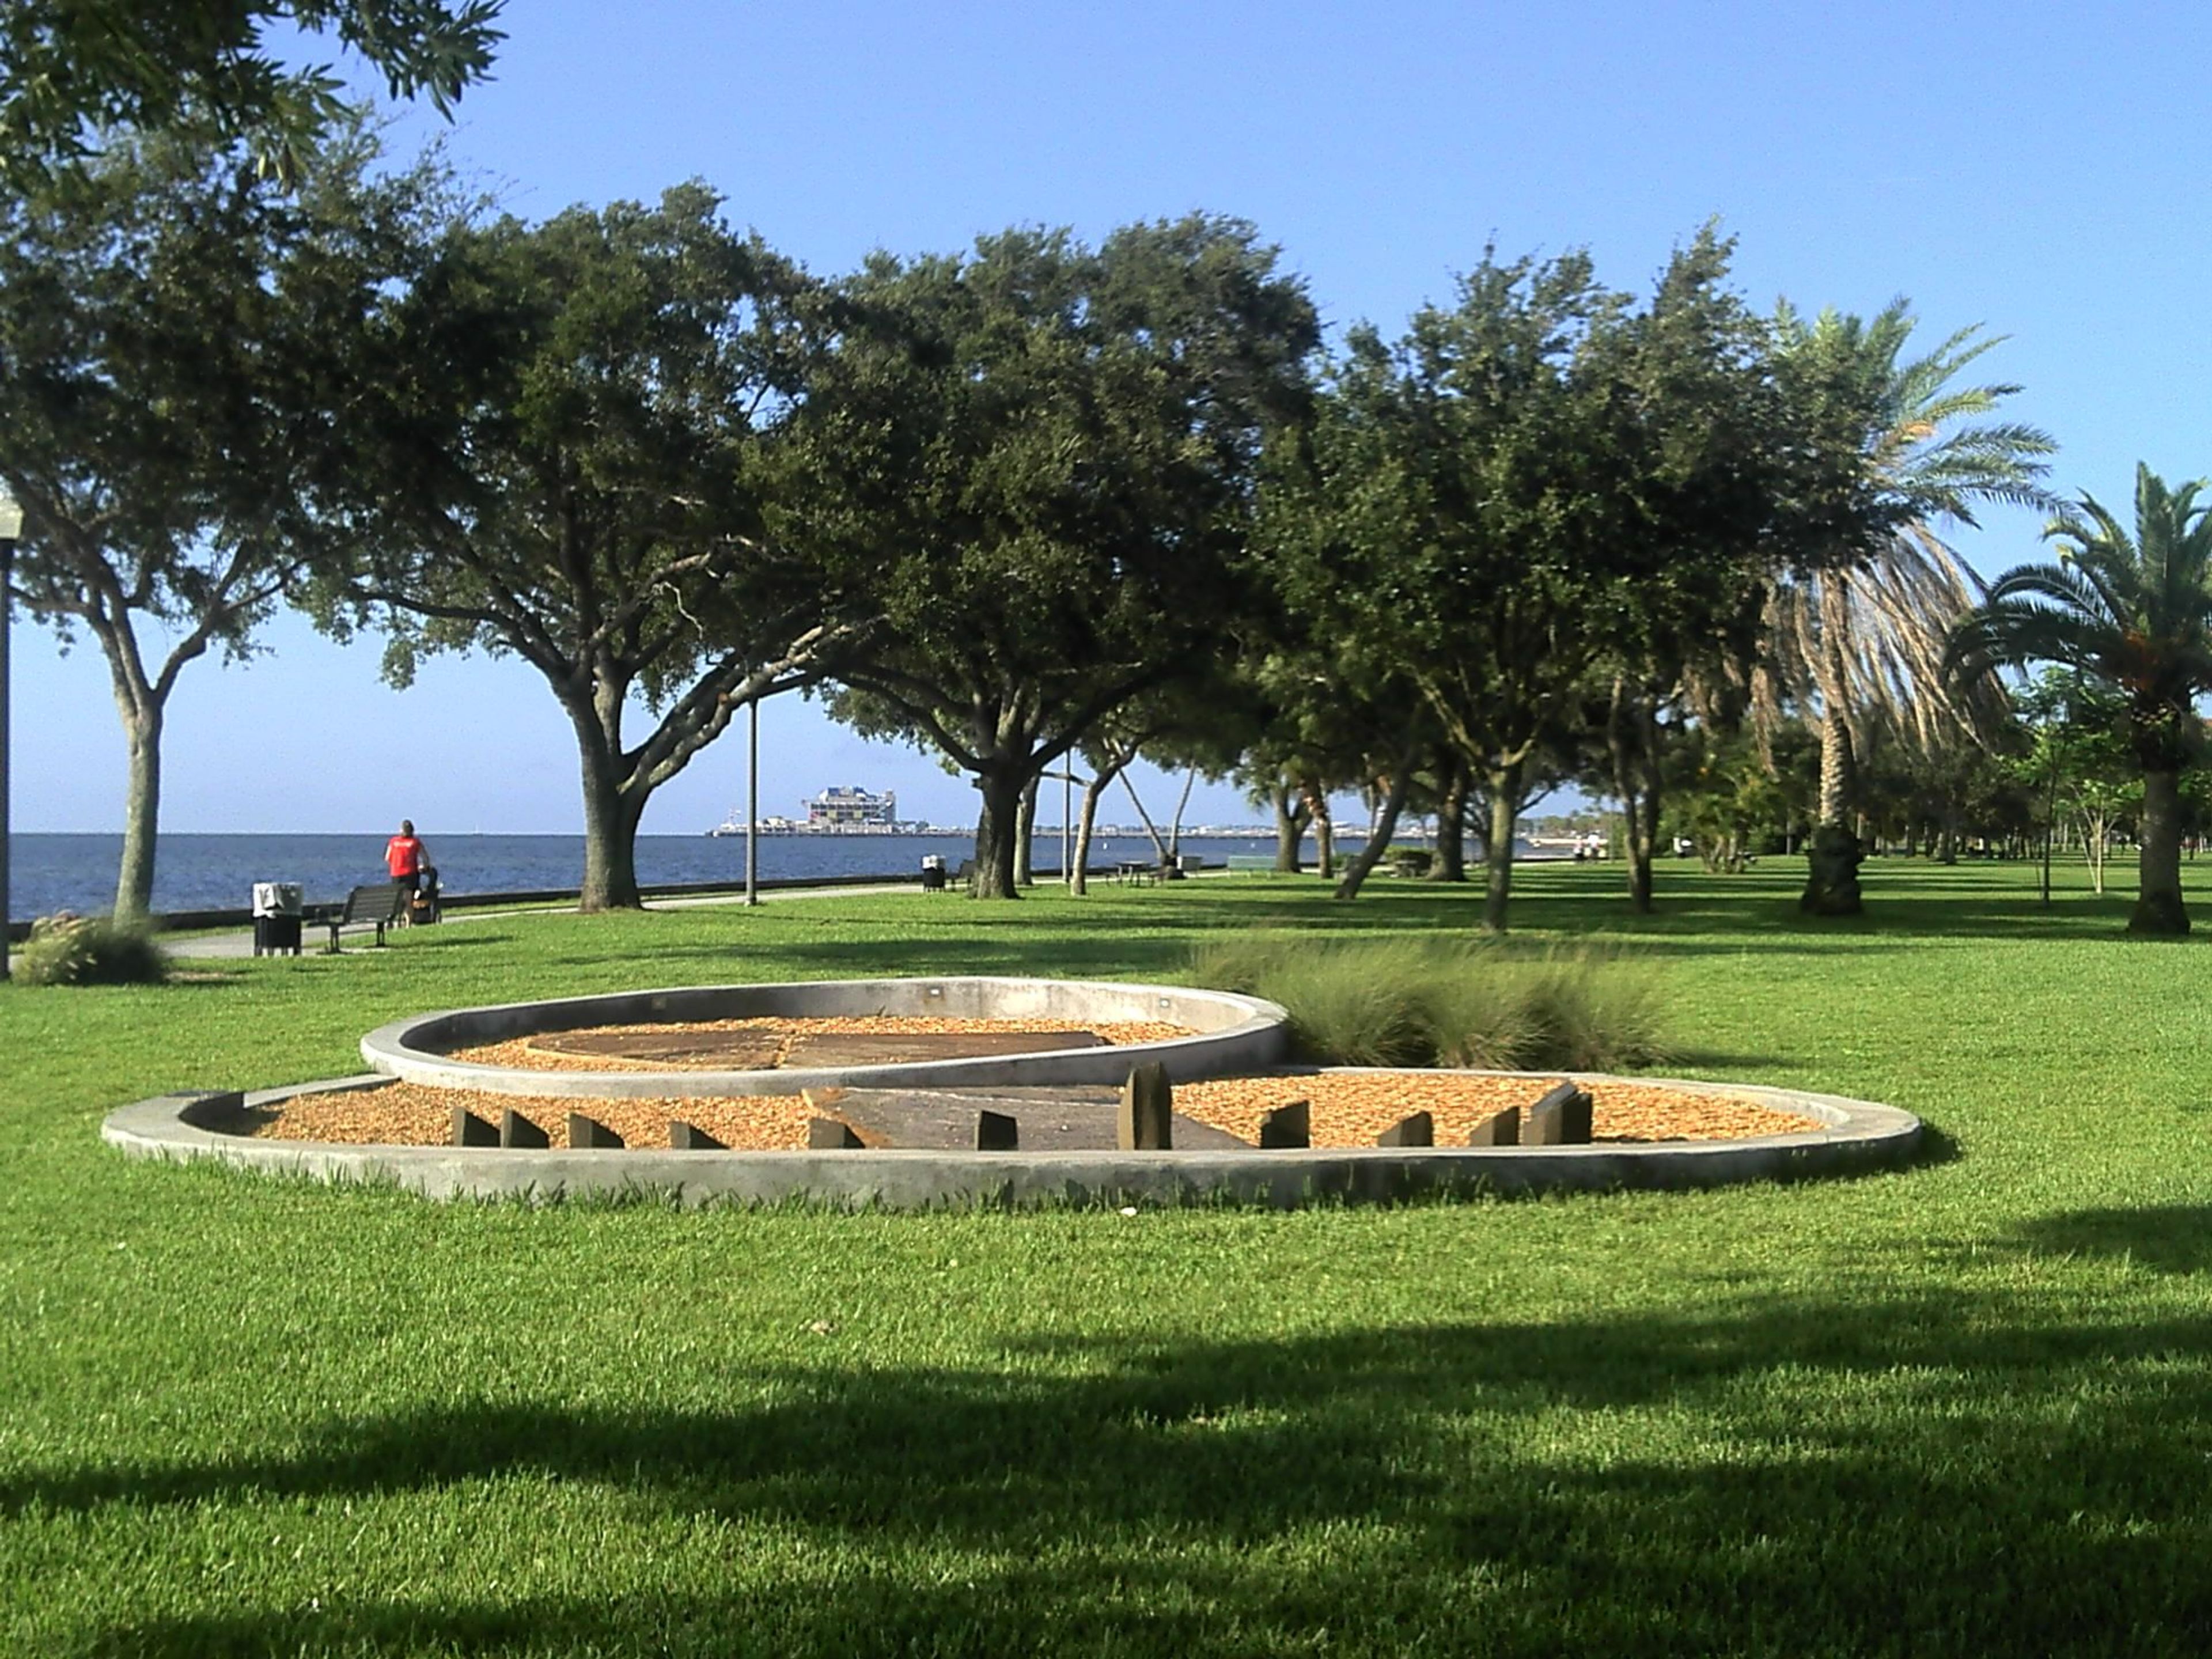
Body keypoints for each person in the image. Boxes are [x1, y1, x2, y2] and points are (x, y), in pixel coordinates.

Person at [385, 819, 429, 897]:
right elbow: (425, 857)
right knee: (412, 893)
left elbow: (387, 858)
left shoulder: (393, 841)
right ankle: (411, 906)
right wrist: (424, 866)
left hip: (396, 873)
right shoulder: (415, 842)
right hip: (411, 873)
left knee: (398, 895)